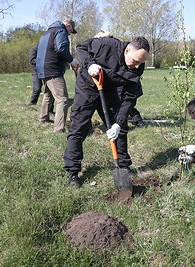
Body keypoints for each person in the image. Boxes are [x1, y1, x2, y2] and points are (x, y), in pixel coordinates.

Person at [63, 36, 150, 187]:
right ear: (127, 50)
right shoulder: (106, 45)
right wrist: (89, 64)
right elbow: (81, 47)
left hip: (110, 92)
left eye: (140, 63)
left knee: (120, 128)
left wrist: (118, 123)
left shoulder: (137, 68)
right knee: (78, 128)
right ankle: (73, 172)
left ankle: (123, 165)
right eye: (135, 61)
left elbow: (129, 98)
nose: (137, 67)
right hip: (87, 88)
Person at [93, 30, 145, 129]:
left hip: (127, 86)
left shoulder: (115, 49)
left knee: (125, 104)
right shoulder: (106, 50)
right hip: (118, 86)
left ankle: (137, 122)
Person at [36, 18, 79, 132]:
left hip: (42, 68)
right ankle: (59, 129)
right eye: (71, 32)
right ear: (68, 26)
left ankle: (43, 118)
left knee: (48, 95)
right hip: (52, 69)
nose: (69, 34)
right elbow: (61, 48)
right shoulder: (61, 30)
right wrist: (71, 60)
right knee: (63, 99)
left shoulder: (47, 32)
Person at [28, 45, 54, 112]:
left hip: (47, 71)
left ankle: (50, 109)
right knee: (37, 89)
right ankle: (32, 103)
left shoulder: (48, 49)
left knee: (51, 90)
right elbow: (32, 60)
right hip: (36, 72)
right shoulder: (34, 49)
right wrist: (43, 60)